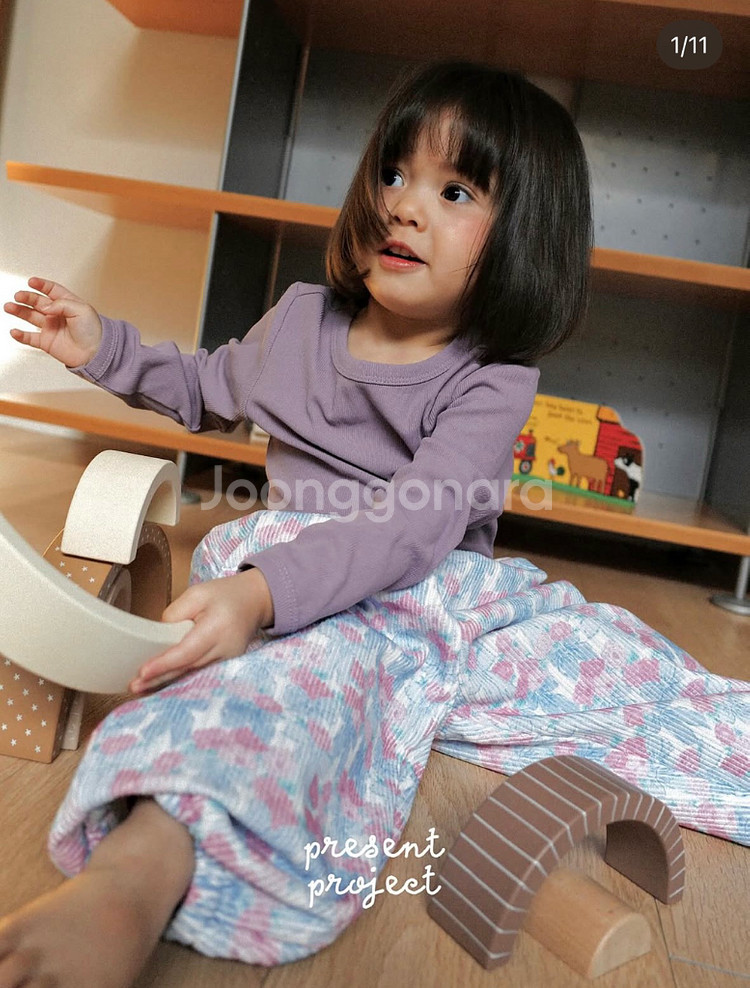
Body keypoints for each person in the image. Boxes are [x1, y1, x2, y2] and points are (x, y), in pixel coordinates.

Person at [1, 61, 748, 987]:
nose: (404, 206)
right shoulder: (300, 322)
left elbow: (413, 526)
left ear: (526, 237)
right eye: (394, 174)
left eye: (455, 191)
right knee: (268, 691)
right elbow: (203, 387)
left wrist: (260, 595)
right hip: (294, 580)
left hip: (438, 590)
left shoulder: (491, 379)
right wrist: (102, 348)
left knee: (634, 675)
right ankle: (134, 874)